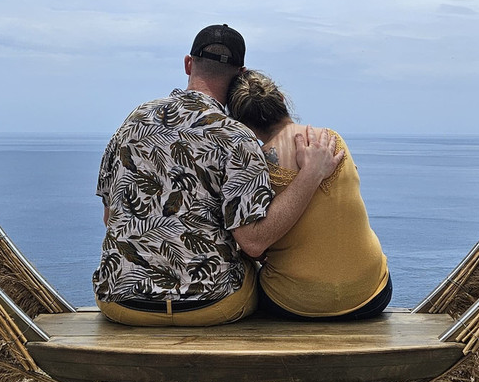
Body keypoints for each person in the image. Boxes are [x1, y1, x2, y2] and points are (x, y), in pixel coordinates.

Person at [93, 25, 345, 328]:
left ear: (188, 63)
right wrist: (311, 176)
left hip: (122, 304)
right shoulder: (236, 137)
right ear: (240, 73)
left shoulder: (133, 121)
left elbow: (110, 217)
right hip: (209, 306)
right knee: (267, 284)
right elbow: (253, 242)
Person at [227, 70, 392, 320]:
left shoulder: (257, 164)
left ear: (243, 125)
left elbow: (252, 247)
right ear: (282, 99)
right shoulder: (333, 140)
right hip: (371, 295)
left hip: (296, 303)